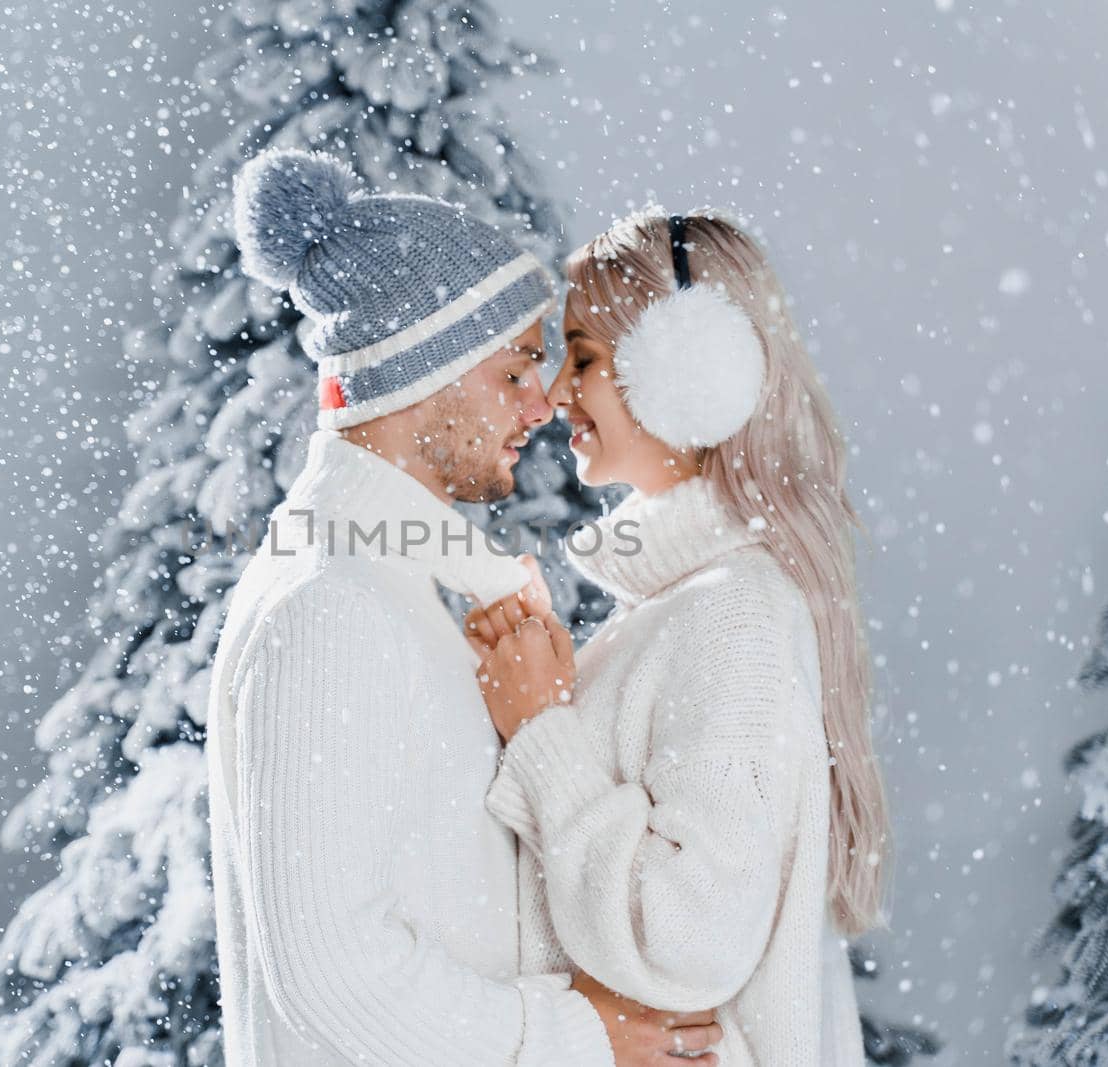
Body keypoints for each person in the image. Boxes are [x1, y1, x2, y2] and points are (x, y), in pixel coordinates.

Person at [204, 151, 722, 1066]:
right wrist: (572, 1034)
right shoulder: (333, 603)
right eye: (517, 369)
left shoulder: (396, 586)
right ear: (423, 373)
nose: (543, 405)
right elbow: (330, 971)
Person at [466, 210, 891, 1066]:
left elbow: (687, 938)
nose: (552, 395)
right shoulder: (687, 609)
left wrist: (543, 731)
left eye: (581, 357)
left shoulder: (734, 617)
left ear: (690, 372)